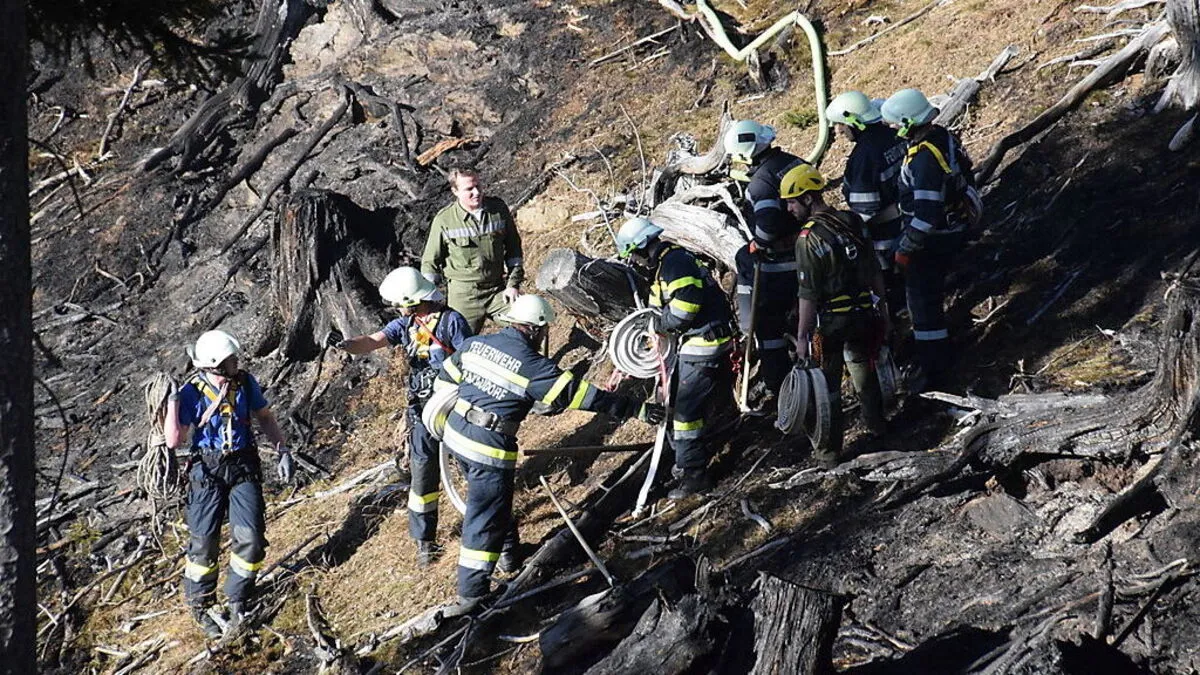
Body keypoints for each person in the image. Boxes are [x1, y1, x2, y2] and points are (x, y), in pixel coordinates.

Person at [434, 295, 664, 615]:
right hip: (487, 447)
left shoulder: (475, 345)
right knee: (483, 515)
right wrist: (636, 408)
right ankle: (471, 595)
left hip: (456, 436)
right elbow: (582, 396)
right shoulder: (533, 366)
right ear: (537, 330)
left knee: (494, 503)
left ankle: (509, 556)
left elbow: (445, 377)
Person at [336, 267, 472, 567]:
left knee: (469, 464)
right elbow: (372, 341)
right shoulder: (405, 325)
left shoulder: (452, 322)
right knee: (423, 471)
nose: (398, 308)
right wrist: (347, 345)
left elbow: (470, 361)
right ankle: (425, 542)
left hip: (452, 406)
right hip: (421, 410)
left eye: (401, 303)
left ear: (414, 299)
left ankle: (483, 522)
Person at [164, 330, 293, 640]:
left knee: (251, 538)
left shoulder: (245, 383)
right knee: (204, 544)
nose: (237, 362)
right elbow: (173, 440)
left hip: (243, 465)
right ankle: (201, 605)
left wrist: (282, 449)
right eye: (231, 360)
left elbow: (264, 416)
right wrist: (172, 404)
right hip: (207, 471)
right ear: (215, 365)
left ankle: (237, 598)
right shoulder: (191, 391)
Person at [615, 217, 737, 498]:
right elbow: (656, 312)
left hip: (704, 346)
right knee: (679, 408)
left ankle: (695, 475)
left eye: (633, 254)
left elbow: (683, 311)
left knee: (685, 414)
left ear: (643, 246)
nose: (633, 261)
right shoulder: (665, 267)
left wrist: (656, 326)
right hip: (698, 345)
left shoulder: (675, 264)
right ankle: (685, 462)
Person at [781, 164, 889, 468]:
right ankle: (878, 426)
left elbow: (808, 294)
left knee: (824, 387)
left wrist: (803, 338)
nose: (788, 209)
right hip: (865, 315)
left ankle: (828, 453)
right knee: (864, 373)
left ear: (808, 198)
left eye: (792, 201)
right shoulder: (852, 221)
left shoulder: (808, 239)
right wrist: (883, 312)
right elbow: (874, 270)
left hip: (827, 327)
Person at [880, 88, 981, 392]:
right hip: (953, 228)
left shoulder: (924, 160)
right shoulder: (941, 136)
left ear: (910, 123)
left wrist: (905, 249)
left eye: (896, 125)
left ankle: (935, 370)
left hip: (934, 238)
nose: (894, 130)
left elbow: (926, 215)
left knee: (922, 304)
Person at [825, 91, 907, 304]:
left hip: (885, 242)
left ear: (854, 121)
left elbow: (865, 210)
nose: (838, 130)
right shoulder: (893, 136)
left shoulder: (864, 155)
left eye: (841, 124)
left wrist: (843, 234)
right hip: (909, 225)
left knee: (894, 297)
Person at [421, 168, 524, 333]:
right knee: (456, 344)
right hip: (463, 296)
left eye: (478, 186)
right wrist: (427, 304)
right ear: (455, 191)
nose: (476, 192)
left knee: (530, 321)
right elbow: (429, 264)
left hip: (497, 290)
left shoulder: (497, 209)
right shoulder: (444, 220)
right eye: (469, 189)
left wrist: (513, 285)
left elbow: (514, 249)